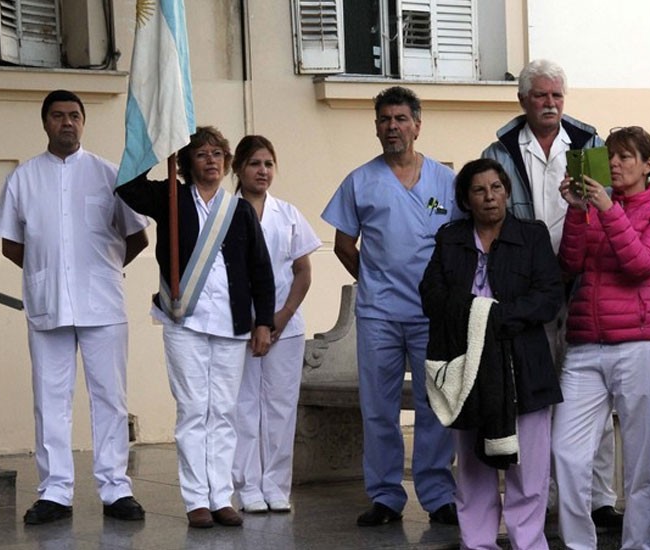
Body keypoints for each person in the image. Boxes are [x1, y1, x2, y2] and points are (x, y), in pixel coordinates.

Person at [0, 89, 149, 525]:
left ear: (83, 122)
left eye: (74, 116)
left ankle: (116, 489)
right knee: (50, 400)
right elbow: (10, 243)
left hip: (103, 304)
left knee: (110, 399)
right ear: (45, 123)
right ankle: (55, 491)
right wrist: (49, 271)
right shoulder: (23, 178)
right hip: (48, 305)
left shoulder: (108, 174)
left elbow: (137, 237)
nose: (67, 123)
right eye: (58, 116)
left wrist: (101, 270)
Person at [482, 58, 621, 528]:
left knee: (591, 394)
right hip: (529, 289)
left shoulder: (588, 142)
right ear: (523, 100)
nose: (550, 104)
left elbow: (609, 204)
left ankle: (598, 497)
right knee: (535, 394)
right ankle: (536, 497)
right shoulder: (499, 149)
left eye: (557, 96)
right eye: (541, 96)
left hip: (585, 280)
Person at [116, 126, 275, 529]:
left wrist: (263, 322)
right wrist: (159, 147)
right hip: (184, 321)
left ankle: (222, 496)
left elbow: (260, 269)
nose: (211, 160)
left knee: (222, 411)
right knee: (192, 410)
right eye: (201, 154)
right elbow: (128, 186)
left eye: (218, 154)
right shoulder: (171, 199)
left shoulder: (237, 209)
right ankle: (196, 500)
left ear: (227, 163)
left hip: (232, 324)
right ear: (187, 163)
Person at [321, 86, 459, 527]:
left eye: (401, 119)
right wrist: (373, 281)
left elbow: (458, 243)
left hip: (430, 315)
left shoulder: (445, 181)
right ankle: (385, 496)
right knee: (377, 407)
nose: (393, 127)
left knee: (435, 404)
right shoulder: (360, 181)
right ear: (376, 127)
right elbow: (345, 245)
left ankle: (438, 495)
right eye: (385, 120)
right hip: (379, 314)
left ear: (418, 125)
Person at [420, 158, 563, 550]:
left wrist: (498, 317)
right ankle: (477, 543)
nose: (489, 197)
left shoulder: (531, 237)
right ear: (466, 199)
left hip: (524, 364)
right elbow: (431, 295)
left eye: (496, 188)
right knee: (472, 463)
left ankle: (528, 543)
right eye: (479, 190)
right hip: (469, 365)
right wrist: (475, 316)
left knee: (529, 467)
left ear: (507, 192)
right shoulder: (450, 239)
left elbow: (549, 296)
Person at [551, 126, 650, 550]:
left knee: (641, 463)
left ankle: (638, 546)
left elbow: (641, 264)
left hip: (641, 344)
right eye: (611, 156)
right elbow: (569, 264)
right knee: (567, 454)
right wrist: (575, 210)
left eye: (627, 157)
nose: (615, 164)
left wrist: (608, 209)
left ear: (648, 165)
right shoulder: (594, 208)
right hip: (586, 343)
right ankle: (578, 546)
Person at [231, 135, 321, 513]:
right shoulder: (225, 212)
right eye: (254, 163)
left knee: (281, 408)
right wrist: (255, 322)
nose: (263, 171)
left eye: (268, 163)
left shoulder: (288, 214)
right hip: (239, 327)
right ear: (237, 169)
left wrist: (279, 318)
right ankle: (248, 486)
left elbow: (303, 272)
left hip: (286, 326)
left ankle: (276, 486)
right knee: (245, 407)